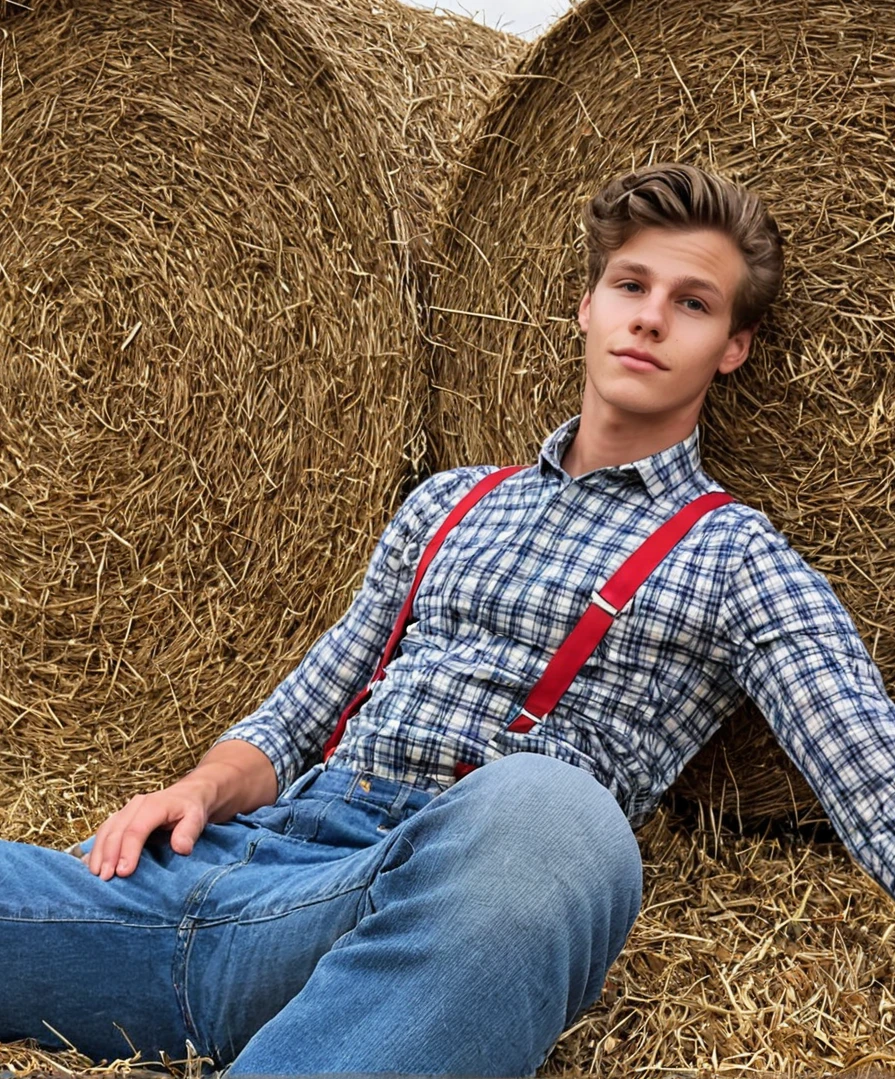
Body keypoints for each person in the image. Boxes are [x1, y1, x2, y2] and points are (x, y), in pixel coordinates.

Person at [2, 163, 894, 1078]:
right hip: (202, 882)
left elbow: (874, 780)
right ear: (587, 305)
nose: (650, 317)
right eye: (630, 285)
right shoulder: (449, 501)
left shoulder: (735, 558)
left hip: (409, 906)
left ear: (732, 347)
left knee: (555, 812)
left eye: (693, 303)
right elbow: (304, 710)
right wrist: (197, 790)